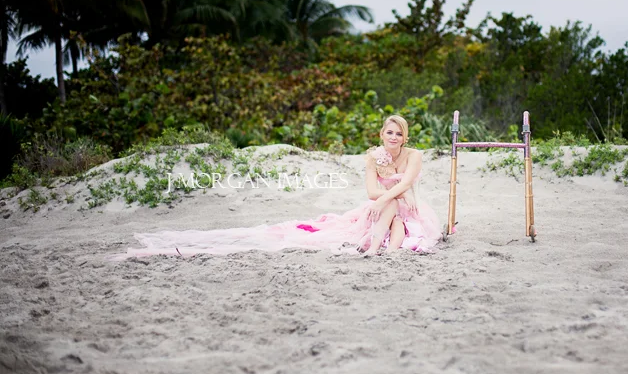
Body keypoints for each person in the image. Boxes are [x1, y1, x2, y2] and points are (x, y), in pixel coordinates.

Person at [110, 115, 442, 260]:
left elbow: (409, 181)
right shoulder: (374, 156)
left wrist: (399, 192)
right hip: (388, 205)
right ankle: (383, 250)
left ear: (405, 137)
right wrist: (390, 195)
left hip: (411, 207)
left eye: (398, 133)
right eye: (389, 133)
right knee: (390, 209)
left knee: (396, 209)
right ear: (381, 135)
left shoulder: (414, 155)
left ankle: (376, 249)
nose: (393, 138)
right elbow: (372, 192)